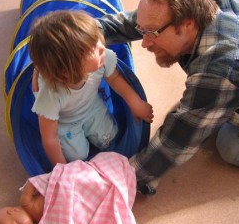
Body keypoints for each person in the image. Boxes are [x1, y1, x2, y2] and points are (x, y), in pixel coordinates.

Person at [97, 0, 239, 194]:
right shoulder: (199, 1)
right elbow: (130, 23)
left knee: (233, 148)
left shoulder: (221, 68)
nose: (145, 42)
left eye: (152, 33)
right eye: (143, 32)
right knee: (212, 105)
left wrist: (119, 182)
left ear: (187, 24)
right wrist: (76, 35)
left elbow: (177, 141)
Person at [29, 10, 153, 166]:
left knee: (110, 138)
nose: (102, 46)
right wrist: (61, 170)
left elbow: (115, 79)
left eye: (97, 40)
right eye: (92, 48)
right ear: (67, 69)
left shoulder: (101, 58)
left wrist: (135, 103)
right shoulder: (51, 93)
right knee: (78, 158)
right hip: (66, 123)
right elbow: (50, 137)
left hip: (92, 108)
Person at [0, 152, 147, 224]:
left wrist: (58, 176)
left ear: (13, 211)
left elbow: (34, 182)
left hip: (70, 190)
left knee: (90, 184)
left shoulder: (25, 202)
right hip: (71, 213)